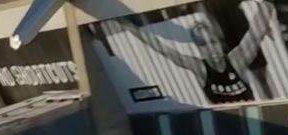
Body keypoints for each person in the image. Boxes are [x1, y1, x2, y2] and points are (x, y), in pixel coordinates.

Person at [112, 0, 278, 104]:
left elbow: (257, 30)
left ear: (220, 43)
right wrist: (129, 27)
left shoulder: (236, 60)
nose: (211, 49)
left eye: (212, 42)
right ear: (198, 48)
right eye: (203, 44)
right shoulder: (200, 68)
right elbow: (160, 48)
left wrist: (267, 4)